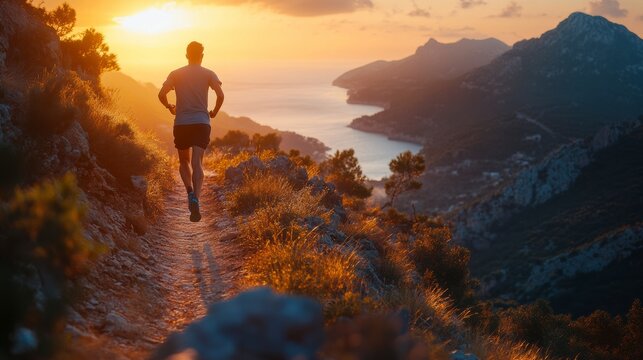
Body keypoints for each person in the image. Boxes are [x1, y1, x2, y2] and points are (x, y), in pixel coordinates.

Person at [158, 41, 224, 222]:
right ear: (202, 56)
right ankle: (197, 198)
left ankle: (189, 192)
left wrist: (169, 107)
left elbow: (161, 94)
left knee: (184, 161)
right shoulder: (209, 73)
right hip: (202, 122)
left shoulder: (176, 74)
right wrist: (214, 112)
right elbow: (220, 95)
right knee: (198, 163)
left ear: (186, 55)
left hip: (182, 123)